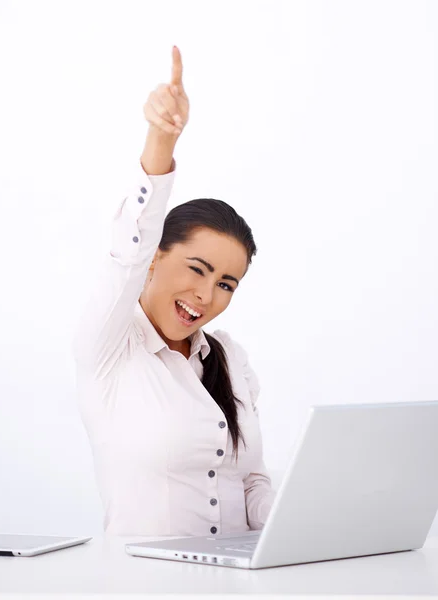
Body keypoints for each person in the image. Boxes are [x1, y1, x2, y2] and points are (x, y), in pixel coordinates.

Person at [72, 46, 276, 537]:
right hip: (143, 582)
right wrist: (162, 138)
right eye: (197, 269)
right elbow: (128, 248)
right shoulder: (110, 346)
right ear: (155, 258)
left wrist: (310, 515)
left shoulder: (229, 357)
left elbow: (250, 483)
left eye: (226, 283)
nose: (206, 295)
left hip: (237, 578)